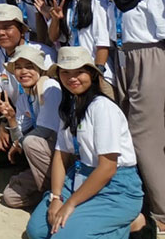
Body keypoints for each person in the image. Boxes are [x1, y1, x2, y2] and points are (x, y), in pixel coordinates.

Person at [26, 47, 144, 239]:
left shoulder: (103, 108)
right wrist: (56, 197)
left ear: (91, 74)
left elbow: (108, 168)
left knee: (61, 236)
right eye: (65, 72)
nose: (72, 78)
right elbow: (60, 155)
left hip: (115, 186)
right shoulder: (69, 107)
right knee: (37, 231)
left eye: (79, 71)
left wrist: (70, 204)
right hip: (80, 176)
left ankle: (135, 224)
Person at [105, 0, 165, 231]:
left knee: (145, 136)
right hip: (122, 59)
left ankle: (161, 210)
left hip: (150, 59)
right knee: (127, 130)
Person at [0, 4, 55, 178]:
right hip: (17, 117)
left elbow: (51, 102)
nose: (0, 33)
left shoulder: (44, 53)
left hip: (45, 124)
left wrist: (7, 126)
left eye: (7, 27)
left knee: (30, 143)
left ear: (22, 29)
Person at [0, 45, 61, 210]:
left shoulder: (50, 87)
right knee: (10, 197)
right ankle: (46, 193)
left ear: (39, 69)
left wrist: (18, 143)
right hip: (45, 157)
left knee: (31, 142)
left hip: (62, 157)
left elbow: (45, 131)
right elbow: (18, 138)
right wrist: (11, 119)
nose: (23, 72)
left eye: (29, 67)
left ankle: (58, 191)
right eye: (18, 68)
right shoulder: (24, 96)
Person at [46, 0, 112, 85]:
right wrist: (56, 20)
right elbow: (54, 38)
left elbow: (103, 44)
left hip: (95, 71)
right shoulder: (63, 3)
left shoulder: (97, 3)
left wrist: (97, 73)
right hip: (71, 72)